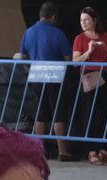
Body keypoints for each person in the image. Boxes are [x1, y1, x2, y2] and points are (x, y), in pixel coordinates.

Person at [16, 2, 74, 161]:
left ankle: (41, 151)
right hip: (56, 76)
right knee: (58, 114)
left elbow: (23, 55)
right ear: (54, 17)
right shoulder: (58, 33)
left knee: (39, 115)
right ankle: (62, 152)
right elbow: (68, 57)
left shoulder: (28, 32)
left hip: (36, 75)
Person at [72, 6, 107, 165]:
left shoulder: (105, 36)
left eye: (86, 20)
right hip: (89, 77)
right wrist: (88, 52)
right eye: (81, 20)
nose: (83, 23)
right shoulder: (80, 38)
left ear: (94, 20)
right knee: (90, 114)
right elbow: (75, 61)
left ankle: (104, 148)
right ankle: (91, 150)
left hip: (105, 77)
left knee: (105, 113)